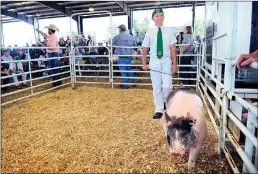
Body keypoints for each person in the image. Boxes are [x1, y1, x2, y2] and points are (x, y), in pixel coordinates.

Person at [142, 8, 177, 119]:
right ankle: (159, 110)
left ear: (164, 17)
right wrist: (144, 63)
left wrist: (175, 64)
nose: (159, 17)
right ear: (153, 18)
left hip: (166, 60)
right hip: (154, 61)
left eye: (161, 15)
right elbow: (144, 48)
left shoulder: (169, 31)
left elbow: (173, 48)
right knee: (156, 87)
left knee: (167, 86)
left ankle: (167, 105)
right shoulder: (149, 32)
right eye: (157, 16)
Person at [162, 87, 207, 172]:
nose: (175, 150)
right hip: (176, 96)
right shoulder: (168, 119)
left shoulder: (199, 125)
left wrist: (191, 161)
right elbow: (165, 124)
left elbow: (196, 146)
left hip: (194, 98)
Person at [112, 24, 137, 89]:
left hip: (122, 56)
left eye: (119, 29)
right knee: (129, 69)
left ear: (120, 29)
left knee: (123, 71)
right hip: (129, 56)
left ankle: (125, 85)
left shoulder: (117, 36)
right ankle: (134, 82)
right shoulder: (131, 36)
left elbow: (111, 43)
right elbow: (135, 45)